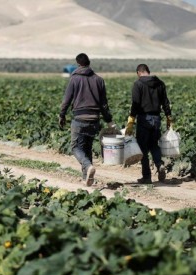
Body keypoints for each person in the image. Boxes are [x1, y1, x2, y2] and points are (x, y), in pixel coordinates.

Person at [59, 53, 114, 186]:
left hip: (80, 118)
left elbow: (67, 100)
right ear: (89, 63)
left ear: (78, 64)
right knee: (87, 147)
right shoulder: (99, 80)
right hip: (94, 119)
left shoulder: (74, 79)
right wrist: (109, 120)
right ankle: (87, 178)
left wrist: (62, 115)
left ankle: (88, 167)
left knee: (76, 147)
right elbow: (104, 104)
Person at [124, 63, 173, 184]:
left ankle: (146, 177)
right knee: (154, 144)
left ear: (138, 73)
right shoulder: (160, 83)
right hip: (156, 119)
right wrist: (169, 118)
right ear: (148, 71)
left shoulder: (138, 84)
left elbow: (135, 104)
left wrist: (131, 121)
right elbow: (165, 102)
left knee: (143, 148)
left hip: (144, 119)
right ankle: (159, 164)